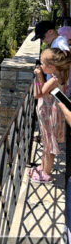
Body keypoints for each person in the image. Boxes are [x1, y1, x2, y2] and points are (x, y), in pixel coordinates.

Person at [33, 48, 71, 182]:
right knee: (46, 142)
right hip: (51, 113)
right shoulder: (61, 74)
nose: (41, 66)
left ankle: (46, 174)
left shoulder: (54, 79)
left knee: (48, 146)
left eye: (43, 64)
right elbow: (46, 90)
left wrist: (37, 77)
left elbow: (38, 93)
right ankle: (43, 167)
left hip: (49, 115)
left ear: (51, 66)